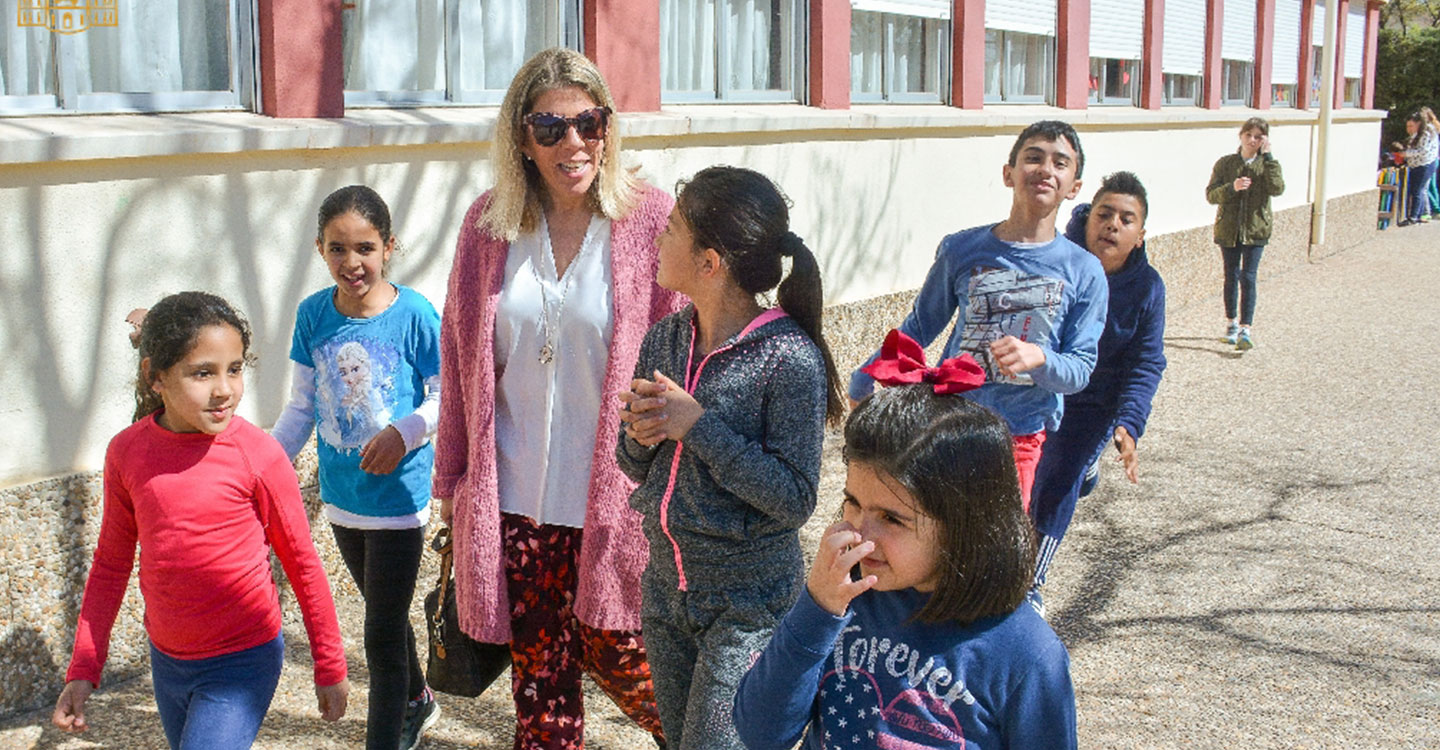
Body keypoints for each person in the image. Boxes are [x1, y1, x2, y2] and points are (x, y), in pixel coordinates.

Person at [433, 47, 679, 749]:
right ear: (521, 137)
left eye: (590, 124)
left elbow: (684, 356)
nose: (574, 143)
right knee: (540, 697)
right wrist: (453, 478)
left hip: (614, 499)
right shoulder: (489, 226)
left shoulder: (649, 220)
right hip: (516, 502)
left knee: (630, 662)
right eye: (551, 128)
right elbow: (460, 361)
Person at [53, 292, 350, 749]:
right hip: (168, 662)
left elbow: (302, 562)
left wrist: (329, 665)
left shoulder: (259, 455)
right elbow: (110, 565)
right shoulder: (127, 453)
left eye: (234, 369)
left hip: (242, 661)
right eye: (202, 372)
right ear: (156, 377)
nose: (224, 389)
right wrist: (84, 669)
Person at [616, 166, 846, 749]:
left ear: (709, 261)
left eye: (670, 230)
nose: (657, 241)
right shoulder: (665, 339)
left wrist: (697, 426)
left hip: (748, 606)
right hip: (666, 592)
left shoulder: (788, 357)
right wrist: (638, 438)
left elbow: (794, 498)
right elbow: (634, 465)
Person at [734, 380, 1077, 750]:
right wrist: (815, 609)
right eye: (853, 502)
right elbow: (761, 733)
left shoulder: (1026, 655)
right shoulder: (842, 600)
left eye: (892, 519)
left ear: (966, 526)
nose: (862, 535)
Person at [847, 120, 1108, 511]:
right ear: (1009, 174)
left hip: (1019, 439)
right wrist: (866, 376)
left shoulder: (1085, 271)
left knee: (993, 555)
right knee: (938, 540)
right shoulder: (961, 250)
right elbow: (919, 327)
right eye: (1033, 158)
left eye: (1060, 163)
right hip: (948, 426)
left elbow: (1080, 369)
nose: (1044, 169)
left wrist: (1040, 359)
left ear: (1074, 187)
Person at [269, 185, 442, 750]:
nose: (352, 263)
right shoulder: (313, 315)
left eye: (364, 247)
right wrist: (262, 466)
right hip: (344, 501)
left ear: (389, 247)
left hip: (399, 501)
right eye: (338, 249)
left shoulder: (415, 314)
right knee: (385, 616)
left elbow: (446, 398)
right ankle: (417, 700)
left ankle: (387, 737)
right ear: (321, 249)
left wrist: (404, 432)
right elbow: (300, 409)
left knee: (379, 634)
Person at [1029, 172, 1167, 599]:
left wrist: (1129, 423)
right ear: (1087, 219)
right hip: (1042, 385)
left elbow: (1146, 361)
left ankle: (1030, 583)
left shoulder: (1147, 288)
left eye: (1126, 220)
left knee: (1059, 479)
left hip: (1095, 404)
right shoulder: (1058, 259)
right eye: (1104, 214)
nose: (1112, 225)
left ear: (1140, 236)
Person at [1206, 117, 1285, 351]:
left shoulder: (1267, 164)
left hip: (1256, 229)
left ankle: (1245, 328)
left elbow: (1277, 188)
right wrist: (1233, 187)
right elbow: (1211, 195)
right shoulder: (1225, 163)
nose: (1252, 140)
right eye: (1248, 134)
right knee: (1231, 275)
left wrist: (1268, 158)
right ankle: (1230, 324)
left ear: (1264, 140)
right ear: (1240, 136)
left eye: (1258, 136)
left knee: (1248, 277)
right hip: (1229, 228)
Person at [1392, 110, 1438, 227]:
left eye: (1411, 126)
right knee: (1420, 190)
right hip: (1417, 164)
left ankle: (1413, 217)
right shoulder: (1418, 133)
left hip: (1425, 164)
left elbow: (1422, 150)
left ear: (1418, 124)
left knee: (1417, 190)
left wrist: (1406, 154)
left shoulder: (1426, 134)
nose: (1409, 129)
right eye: (1407, 126)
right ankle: (1421, 214)